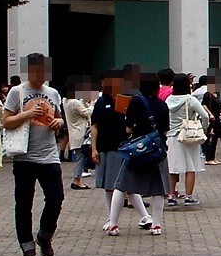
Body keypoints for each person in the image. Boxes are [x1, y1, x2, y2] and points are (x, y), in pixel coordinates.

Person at [1, 54, 66, 256]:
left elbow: (59, 117)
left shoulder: (53, 93)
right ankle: (27, 247)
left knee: (56, 198)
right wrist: (27, 114)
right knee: (24, 202)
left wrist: (59, 122)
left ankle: (44, 236)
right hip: (24, 157)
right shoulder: (17, 92)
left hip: (49, 156)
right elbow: (6, 121)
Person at [107, 73, 170, 237]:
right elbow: (165, 131)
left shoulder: (136, 101)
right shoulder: (163, 105)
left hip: (137, 151)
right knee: (158, 189)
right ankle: (156, 225)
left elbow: (128, 128)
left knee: (122, 185)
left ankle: (113, 224)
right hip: (157, 151)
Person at [91, 69, 143, 230]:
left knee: (125, 184)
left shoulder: (129, 100)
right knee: (109, 185)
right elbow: (94, 126)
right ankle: (112, 218)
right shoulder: (101, 102)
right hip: (105, 147)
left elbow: (135, 124)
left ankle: (144, 216)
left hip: (124, 147)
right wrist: (94, 149)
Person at [165, 73, 210, 208]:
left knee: (173, 168)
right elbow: (205, 116)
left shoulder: (168, 100)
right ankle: (188, 197)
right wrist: (203, 128)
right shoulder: (190, 100)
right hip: (188, 136)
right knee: (190, 167)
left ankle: (171, 195)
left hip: (172, 136)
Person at [64, 82, 94, 190]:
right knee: (80, 158)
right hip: (80, 134)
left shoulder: (66, 101)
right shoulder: (74, 103)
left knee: (79, 157)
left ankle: (77, 179)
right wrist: (91, 103)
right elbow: (87, 113)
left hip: (74, 134)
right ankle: (77, 180)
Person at [195, 76, 221, 165]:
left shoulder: (216, 95)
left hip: (217, 118)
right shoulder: (208, 94)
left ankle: (212, 157)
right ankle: (208, 157)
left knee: (215, 138)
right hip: (212, 119)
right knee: (210, 137)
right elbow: (204, 105)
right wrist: (210, 114)